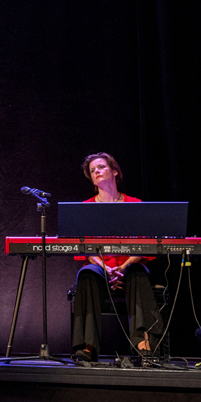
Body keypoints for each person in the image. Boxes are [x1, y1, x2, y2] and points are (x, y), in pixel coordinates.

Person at [71, 152, 162, 364]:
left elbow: (145, 245)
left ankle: (144, 344)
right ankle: (87, 346)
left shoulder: (135, 204)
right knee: (86, 273)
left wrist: (123, 267)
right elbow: (85, 250)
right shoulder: (86, 208)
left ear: (114, 172)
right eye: (92, 170)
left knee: (138, 272)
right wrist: (107, 268)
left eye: (101, 167)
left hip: (129, 267)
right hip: (101, 269)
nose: (96, 171)